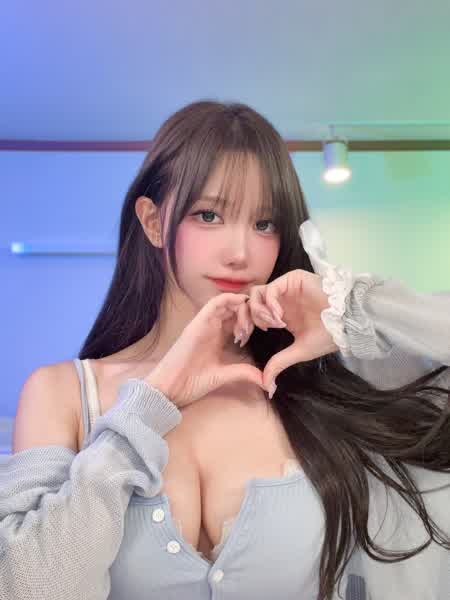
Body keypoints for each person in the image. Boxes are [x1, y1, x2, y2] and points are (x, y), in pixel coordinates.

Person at [1, 100, 449, 600]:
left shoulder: (317, 385)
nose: (241, 252)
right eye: (209, 215)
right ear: (152, 221)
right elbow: (28, 588)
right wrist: (147, 406)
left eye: (265, 224)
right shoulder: (61, 394)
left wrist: (352, 309)